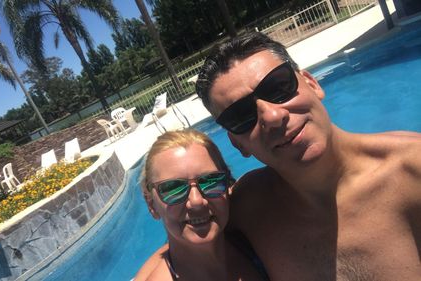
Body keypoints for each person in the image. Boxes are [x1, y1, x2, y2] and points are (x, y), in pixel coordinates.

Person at [193, 32, 421, 280]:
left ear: (312, 83)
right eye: (241, 116)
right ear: (237, 143)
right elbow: (180, 247)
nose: (272, 117)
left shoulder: (412, 171)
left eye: (278, 87)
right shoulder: (249, 205)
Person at [135, 129, 268, 281]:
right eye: (173, 188)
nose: (197, 202)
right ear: (151, 204)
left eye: (211, 181)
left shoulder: (257, 239)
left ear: (228, 185)